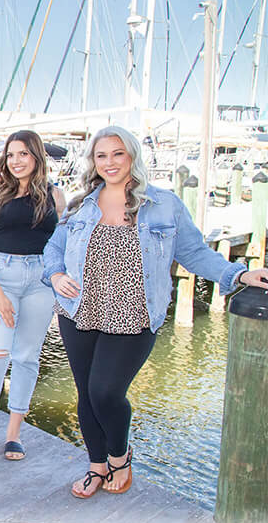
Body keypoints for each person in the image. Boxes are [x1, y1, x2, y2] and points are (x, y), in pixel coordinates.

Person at [43, 125, 268, 498]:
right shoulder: (82, 204)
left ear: (132, 155)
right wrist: (55, 274)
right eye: (102, 156)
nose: (110, 162)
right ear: (93, 162)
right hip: (79, 309)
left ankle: (119, 457)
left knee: (106, 391)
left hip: (134, 314)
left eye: (118, 153)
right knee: (86, 392)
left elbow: (194, 253)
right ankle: (96, 466)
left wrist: (238, 273)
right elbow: (53, 248)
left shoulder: (163, 205)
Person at [0, 130, 66, 472]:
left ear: (36, 157)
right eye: (10, 155)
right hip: (0, 274)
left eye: (23, 154)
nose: (16, 161)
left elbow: (58, 246)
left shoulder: (55, 194)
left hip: (40, 279)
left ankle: (14, 433)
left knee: (26, 358)